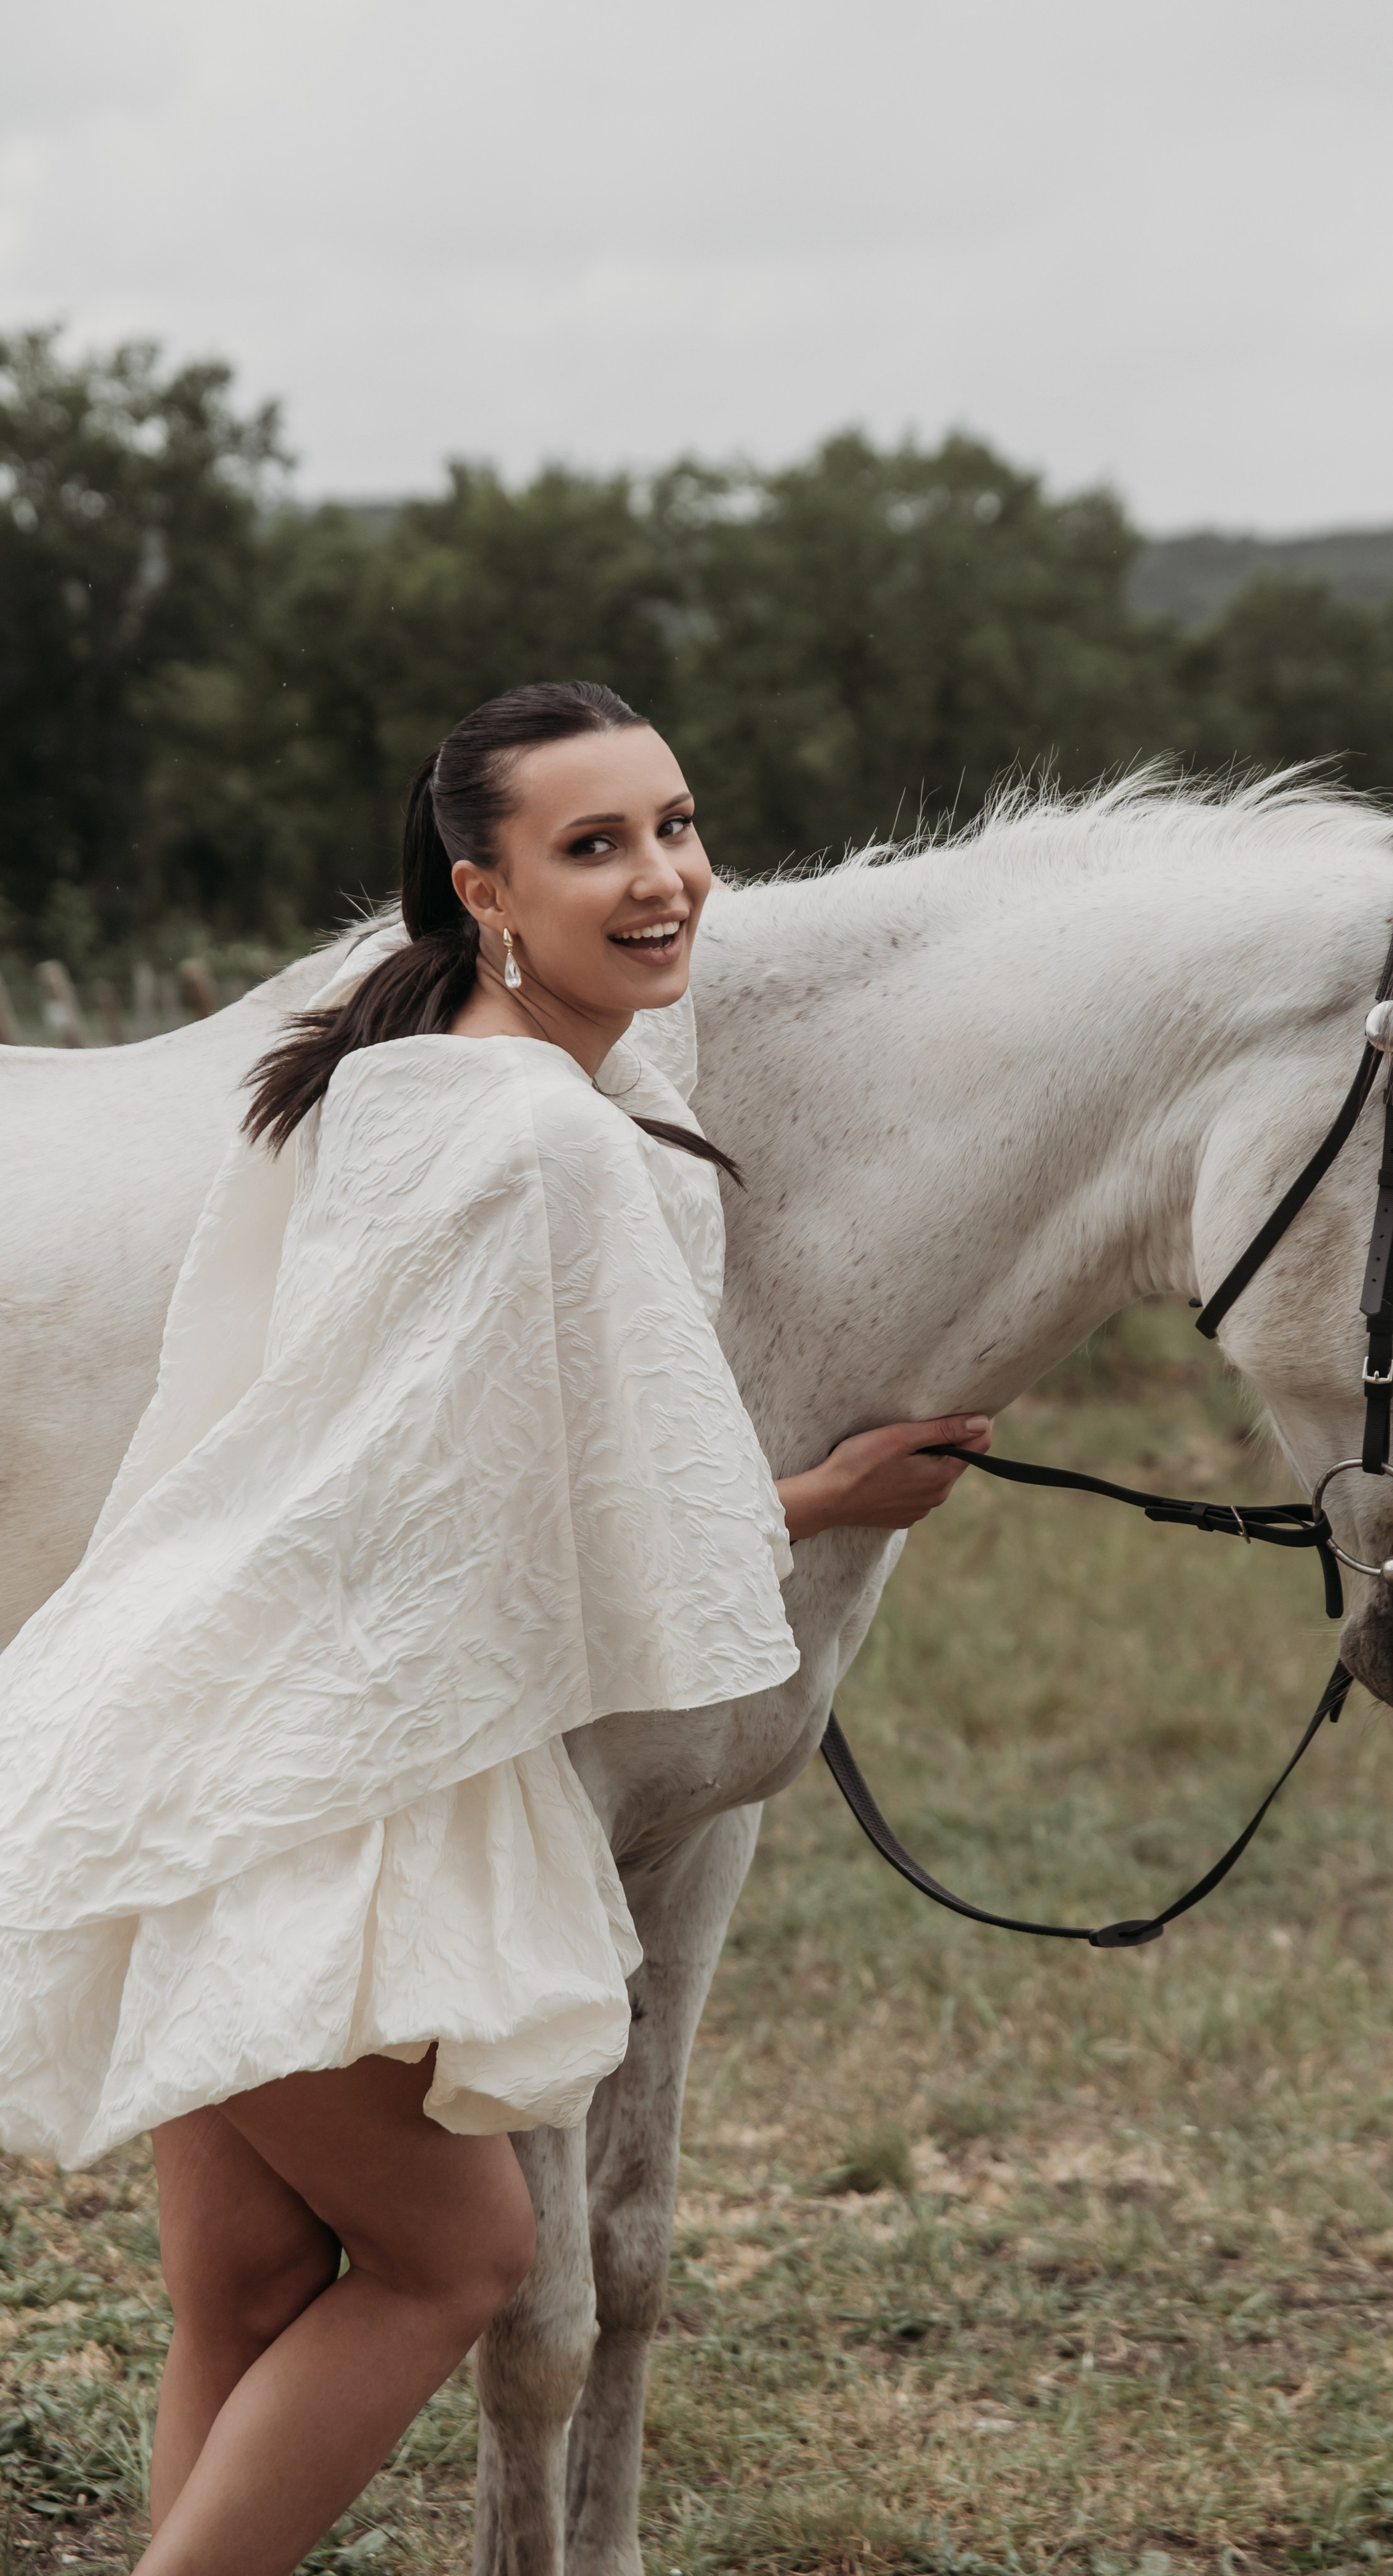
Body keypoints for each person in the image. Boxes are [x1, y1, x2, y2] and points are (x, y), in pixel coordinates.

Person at [0, 680, 991, 2574]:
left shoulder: (386, 1079)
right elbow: (468, 1508)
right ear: (484, 891)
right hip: (301, 1764)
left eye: (679, 827)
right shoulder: (542, 1142)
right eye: (594, 847)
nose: (664, 879)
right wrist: (817, 1503)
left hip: (197, 1702)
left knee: (250, 2285)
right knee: (459, 2259)